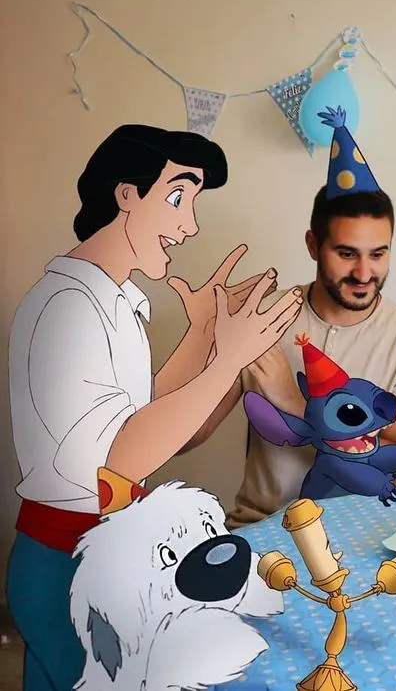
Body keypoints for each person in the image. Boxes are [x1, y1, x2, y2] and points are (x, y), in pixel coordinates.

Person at [6, 124, 302, 691]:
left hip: (97, 554)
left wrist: (203, 336)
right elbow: (119, 459)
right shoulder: (69, 306)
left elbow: (140, 416)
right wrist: (225, 361)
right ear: (126, 194)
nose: (188, 225)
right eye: (177, 198)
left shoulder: (112, 297)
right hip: (65, 561)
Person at [185, 107, 396, 528]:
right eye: (346, 253)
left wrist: (294, 401)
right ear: (312, 245)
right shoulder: (263, 319)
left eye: (378, 254)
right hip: (261, 527)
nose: (364, 273)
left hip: (364, 536)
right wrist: (205, 340)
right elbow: (189, 437)